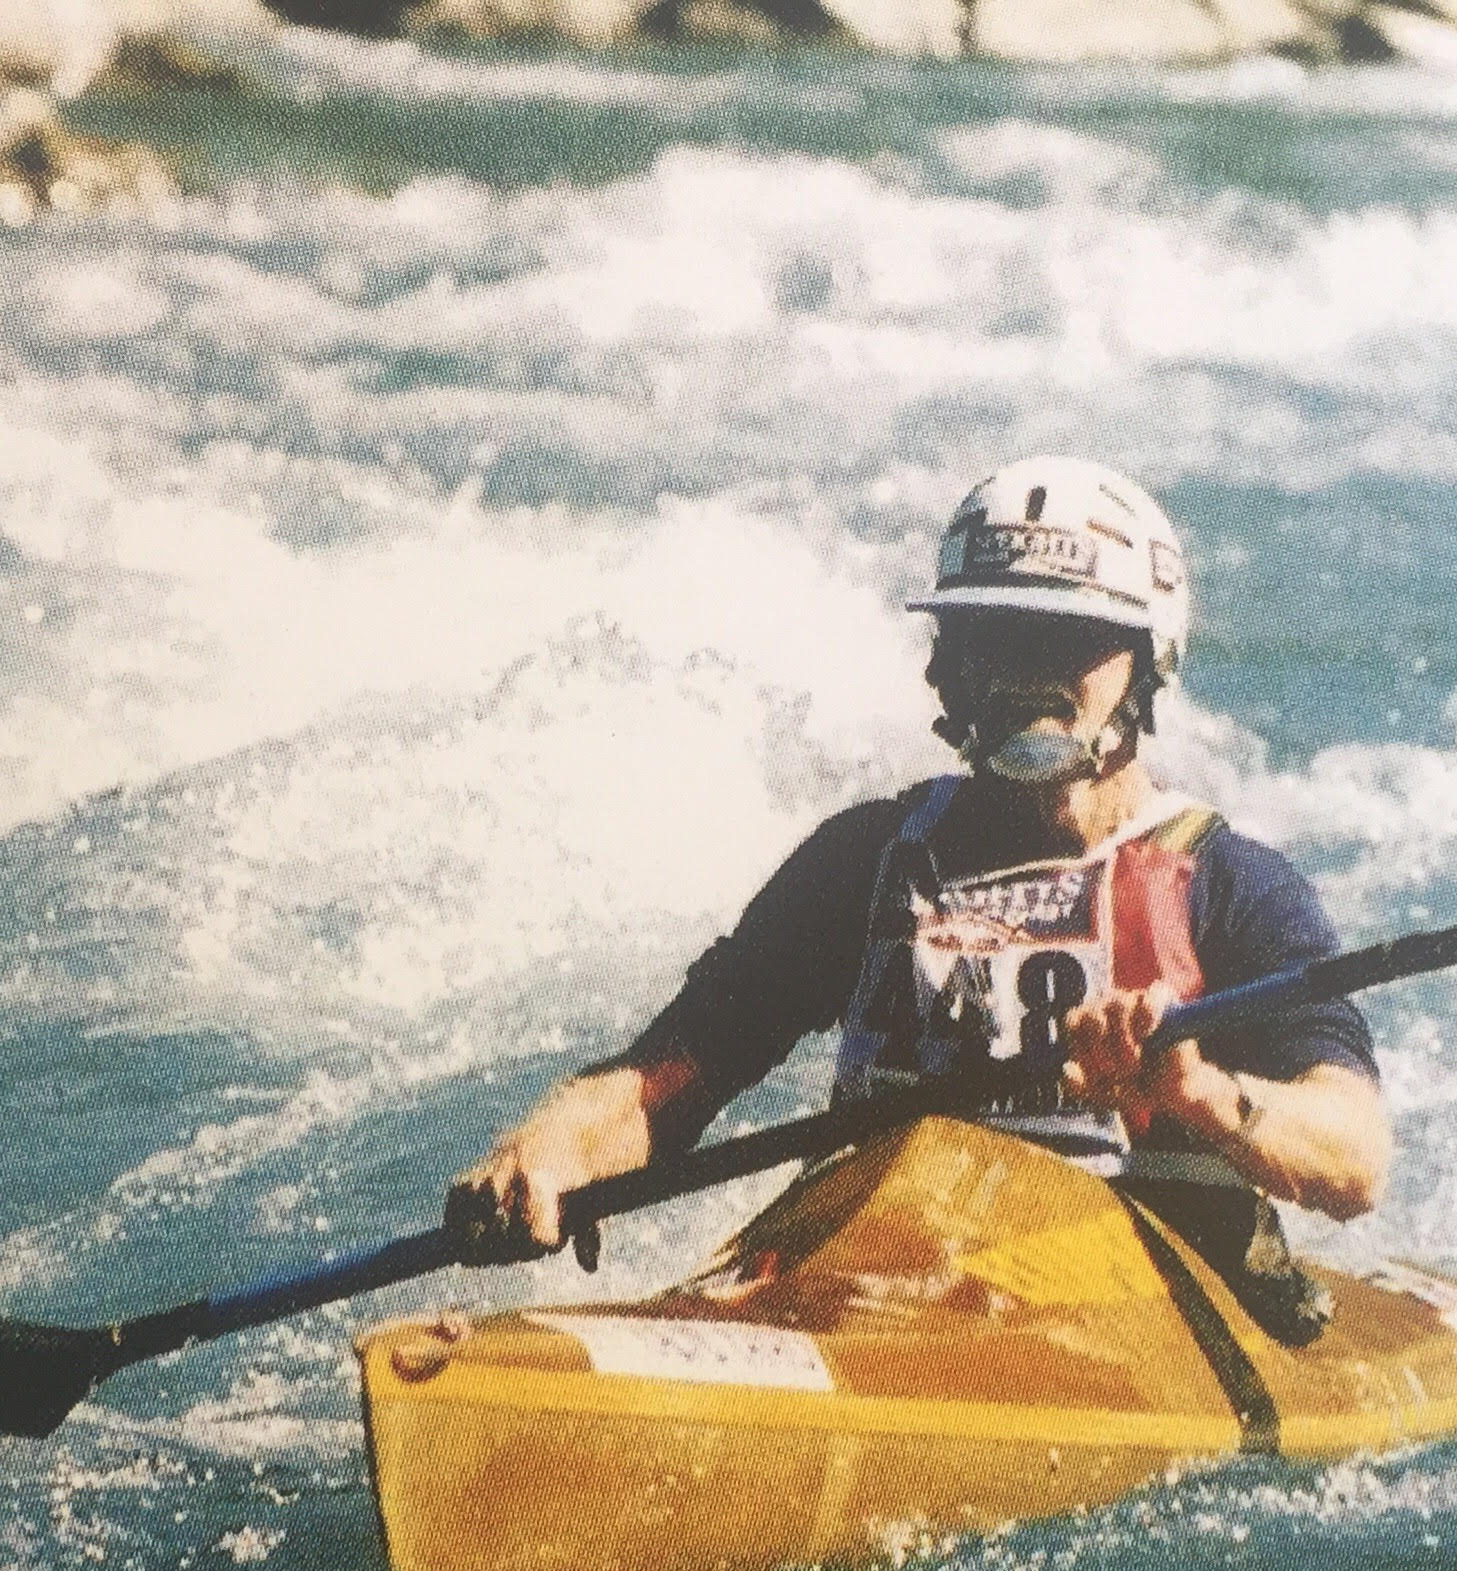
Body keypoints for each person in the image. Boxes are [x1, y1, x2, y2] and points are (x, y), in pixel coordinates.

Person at [449, 455, 1388, 1343]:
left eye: (1065, 639)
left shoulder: (1230, 885)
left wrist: (1202, 1094)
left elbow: (1353, 1159)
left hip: (1121, 1291)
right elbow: (665, 1078)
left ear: (1148, 664)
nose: (1025, 677)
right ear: (945, 666)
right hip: (884, 1274)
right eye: (992, 637)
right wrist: (554, 1145)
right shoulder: (863, 862)